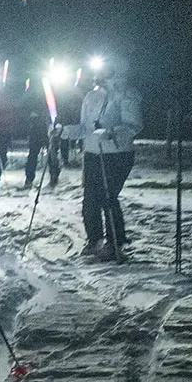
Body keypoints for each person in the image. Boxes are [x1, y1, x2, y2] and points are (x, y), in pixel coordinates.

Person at [64, 60, 143, 261]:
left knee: (107, 197)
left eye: (104, 68)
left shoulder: (125, 94)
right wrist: (63, 131)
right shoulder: (91, 96)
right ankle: (94, 239)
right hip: (92, 153)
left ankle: (115, 242)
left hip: (117, 155)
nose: (99, 72)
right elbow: (85, 129)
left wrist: (110, 133)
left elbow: (134, 125)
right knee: (90, 198)